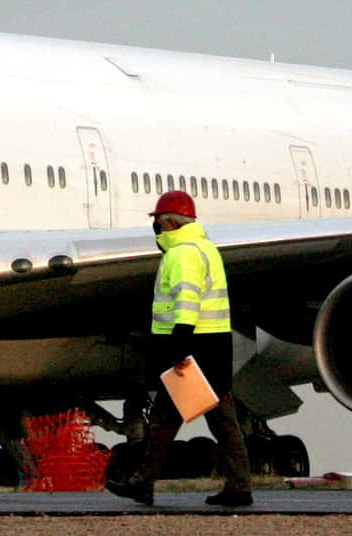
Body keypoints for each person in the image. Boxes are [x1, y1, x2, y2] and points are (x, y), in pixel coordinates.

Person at [105, 189, 254, 508]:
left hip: (192, 348)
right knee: (211, 419)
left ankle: (144, 483)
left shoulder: (181, 254)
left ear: (169, 223)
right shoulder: (205, 248)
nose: (156, 229)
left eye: (158, 223)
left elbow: (187, 300)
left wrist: (179, 344)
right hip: (212, 346)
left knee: (170, 420)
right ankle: (238, 486)